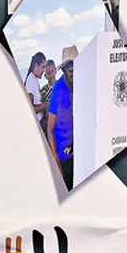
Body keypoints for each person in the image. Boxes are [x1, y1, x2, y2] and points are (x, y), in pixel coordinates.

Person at [47, 46, 77, 191]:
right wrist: (57, 165)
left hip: (78, 150)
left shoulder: (80, 83)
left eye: (76, 67)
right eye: (70, 69)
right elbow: (49, 130)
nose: (73, 72)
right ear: (64, 70)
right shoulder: (57, 90)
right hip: (63, 155)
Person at [24, 52, 48, 129]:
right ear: (36, 65)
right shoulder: (30, 80)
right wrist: (46, 105)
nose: (44, 71)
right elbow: (30, 109)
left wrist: (42, 90)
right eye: (42, 67)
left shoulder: (34, 79)